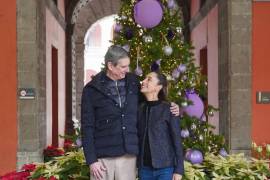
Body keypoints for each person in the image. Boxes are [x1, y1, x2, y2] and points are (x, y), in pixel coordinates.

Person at [81, 45, 179, 180]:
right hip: (102, 158)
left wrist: (171, 106)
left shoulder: (133, 82)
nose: (127, 70)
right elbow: (87, 126)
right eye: (123, 67)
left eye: (128, 66)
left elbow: (151, 101)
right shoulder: (91, 90)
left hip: (128, 157)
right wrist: (92, 160)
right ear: (110, 65)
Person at [137, 71, 184, 180]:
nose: (143, 81)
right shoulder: (139, 109)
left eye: (149, 79)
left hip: (165, 169)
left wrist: (179, 169)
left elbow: (177, 140)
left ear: (158, 87)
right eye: (144, 78)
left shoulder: (169, 109)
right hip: (144, 169)